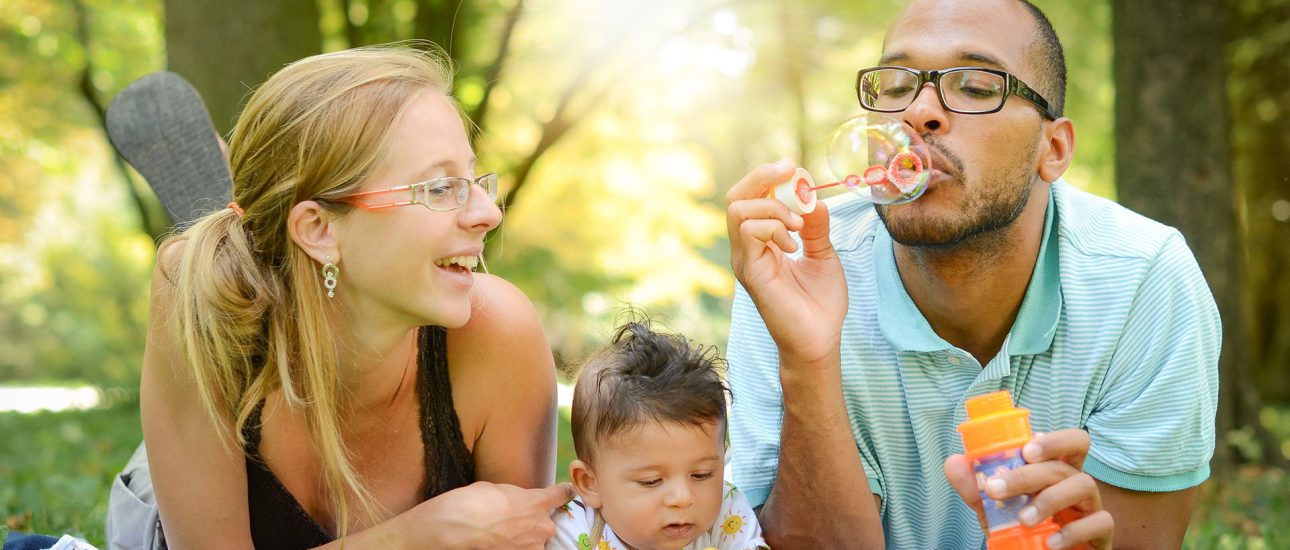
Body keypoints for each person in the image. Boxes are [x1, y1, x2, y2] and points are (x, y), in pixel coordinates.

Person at [723, 0, 1220, 549]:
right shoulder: (794, 269)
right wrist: (808, 359)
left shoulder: (1142, 281)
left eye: (977, 86)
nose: (918, 112)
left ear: (1053, 150)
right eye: (895, 85)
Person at [110, 43, 572, 549]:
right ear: (319, 229)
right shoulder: (191, 300)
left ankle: (248, 216)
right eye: (440, 187)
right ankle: (235, 232)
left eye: (474, 178)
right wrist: (418, 538)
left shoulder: (499, 334)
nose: (489, 213)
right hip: (177, 494)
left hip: (290, 269)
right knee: (203, 284)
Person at [549, 320, 768, 550]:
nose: (682, 498)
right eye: (651, 481)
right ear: (590, 483)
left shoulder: (727, 513)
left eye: (701, 475)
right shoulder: (570, 531)